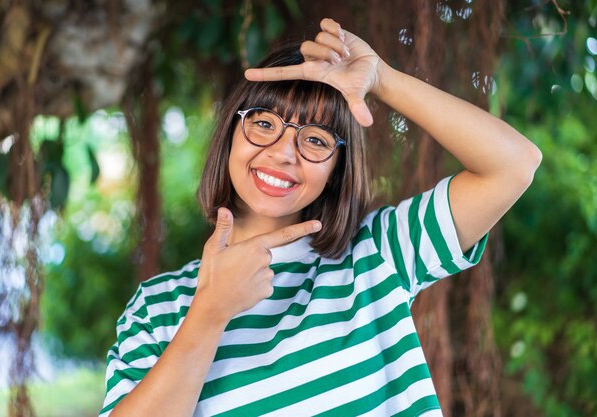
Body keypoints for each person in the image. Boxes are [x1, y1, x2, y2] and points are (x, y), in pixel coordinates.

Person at [100, 18, 541, 417]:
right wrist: (209, 313)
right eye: (265, 123)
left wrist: (383, 79)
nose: (283, 153)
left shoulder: (377, 253)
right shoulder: (156, 307)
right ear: (230, 135)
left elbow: (514, 164)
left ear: (335, 171)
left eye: (314, 139)